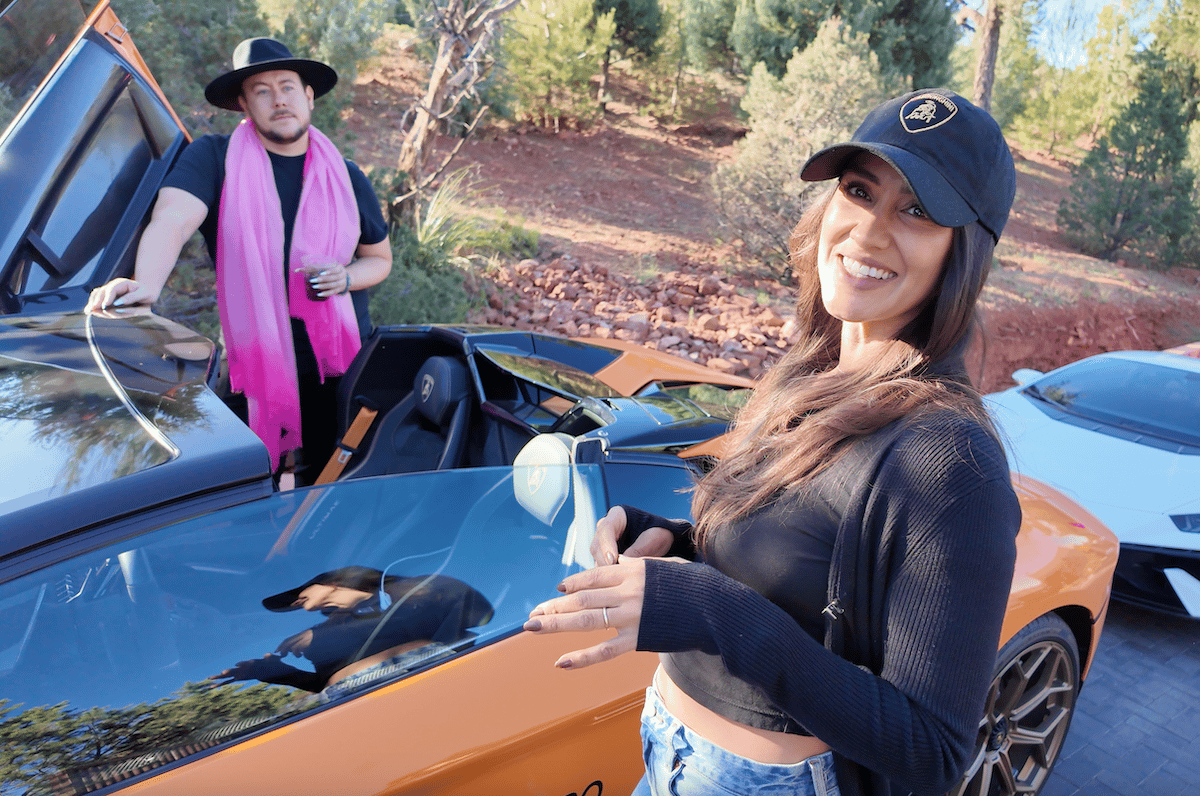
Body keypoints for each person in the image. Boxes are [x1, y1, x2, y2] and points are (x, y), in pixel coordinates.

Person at [522, 89, 1022, 796]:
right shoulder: (809, 374)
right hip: (669, 746)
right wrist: (673, 545)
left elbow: (933, 750)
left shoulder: (949, 462)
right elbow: (797, 585)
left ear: (963, 253)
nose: (868, 233)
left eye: (917, 210)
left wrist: (707, 608)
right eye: (858, 190)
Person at [85, 38, 393, 484]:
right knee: (243, 482)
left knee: (327, 485)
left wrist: (345, 278)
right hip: (255, 358)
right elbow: (172, 219)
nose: (278, 98)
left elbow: (379, 260)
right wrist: (146, 286)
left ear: (308, 96)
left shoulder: (345, 176)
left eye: (287, 86)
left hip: (338, 360)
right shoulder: (215, 158)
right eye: (262, 90)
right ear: (245, 104)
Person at [212, 566, 494, 692]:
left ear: (332, 579)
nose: (294, 601)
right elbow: (330, 685)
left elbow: (468, 617)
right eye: (290, 604)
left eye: (298, 590)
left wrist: (322, 636)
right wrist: (278, 674)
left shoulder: (416, 589)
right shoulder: (333, 627)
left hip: (450, 686)